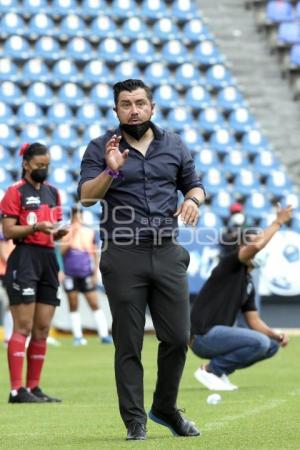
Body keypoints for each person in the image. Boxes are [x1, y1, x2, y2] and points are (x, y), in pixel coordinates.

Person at [78, 79, 206, 440]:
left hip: (167, 251)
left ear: (152, 106)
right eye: (125, 104)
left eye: (139, 103)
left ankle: (165, 407)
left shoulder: (174, 144)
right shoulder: (101, 147)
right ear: (115, 110)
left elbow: (194, 184)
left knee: (179, 338)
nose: (133, 109)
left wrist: (193, 200)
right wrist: (111, 169)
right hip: (123, 255)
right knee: (129, 342)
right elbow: (87, 197)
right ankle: (135, 420)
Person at [190, 204, 292, 391]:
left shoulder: (248, 281)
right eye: (255, 245)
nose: (260, 249)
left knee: (270, 345)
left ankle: (219, 373)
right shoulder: (230, 265)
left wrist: (274, 335)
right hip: (202, 336)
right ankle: (211, 370)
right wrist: (278, 222)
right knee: (259, 342)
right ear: (242, 246)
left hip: (217, 336)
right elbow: (254, 246)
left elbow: (254, 321)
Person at [0, 142, 69, 403]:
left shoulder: (53, 193)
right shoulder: (14, 192)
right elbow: (7, 231)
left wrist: (56, 232)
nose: (44, 169)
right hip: (24, 258)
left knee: (42, 328)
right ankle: (16, 390)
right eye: (39, 165)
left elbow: (53, 228)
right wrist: (35, 228)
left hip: (48, 259)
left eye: (47, 165)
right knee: (24, 326)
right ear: (26, 165)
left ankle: (34, 387)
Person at [59, 205, 112, 345]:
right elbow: (61, 252)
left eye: (79, 216)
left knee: (94, 303)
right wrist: (72, 234)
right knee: (73, 304)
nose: (78, 219)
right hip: (70, 273)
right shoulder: (66, 232)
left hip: (86, 272)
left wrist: (95, 273)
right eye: (75, 216)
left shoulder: (89, 233)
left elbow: (94, 254)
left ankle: (104, 334)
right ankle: (77, 336)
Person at [0, 220, 15, 344]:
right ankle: (8, 337)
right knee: (9, 305)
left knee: (9, 305)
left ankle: (8, 337)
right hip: (5, 272)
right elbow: (4, 254)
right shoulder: (3, 231)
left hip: (7, 271)